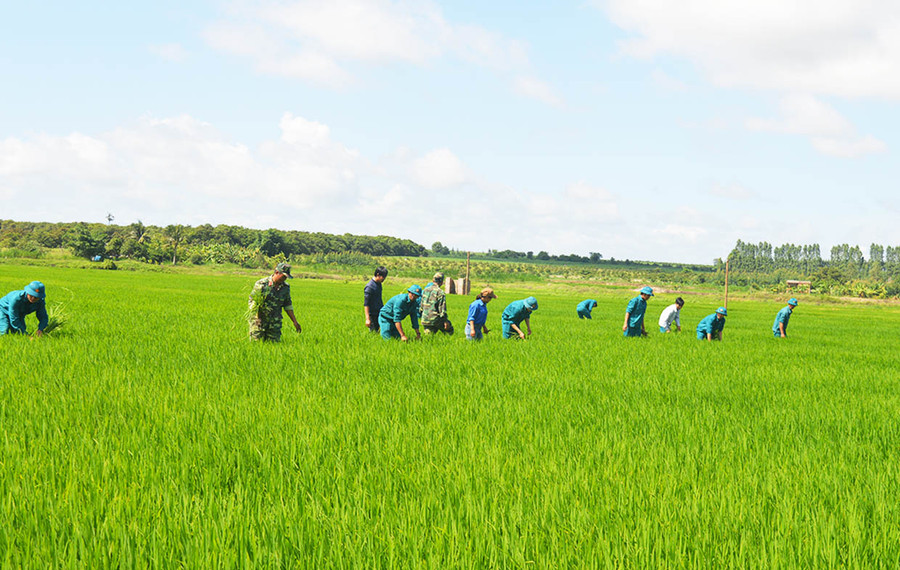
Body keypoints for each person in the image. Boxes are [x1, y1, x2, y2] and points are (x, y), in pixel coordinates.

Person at [248, 262, 301, 342]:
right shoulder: (262, 284)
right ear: (276, 272)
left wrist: (295, 322)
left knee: (273, 347)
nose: (284, 279)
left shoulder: (285, 287)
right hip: (259, 322)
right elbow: (253, 302)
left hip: (275, 323)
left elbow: (287, 305)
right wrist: (257, 317)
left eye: (286, 277)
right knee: (256, 345)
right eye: (283, 277)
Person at [364, 266, 388, 332]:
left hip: (379, 312)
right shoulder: (369, 287)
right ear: (378, 275)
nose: (384, 279)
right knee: (373, 333)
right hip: (373, 314)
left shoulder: (379, 284)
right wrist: (367, 319)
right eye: (383, 277)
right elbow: (366, 304)